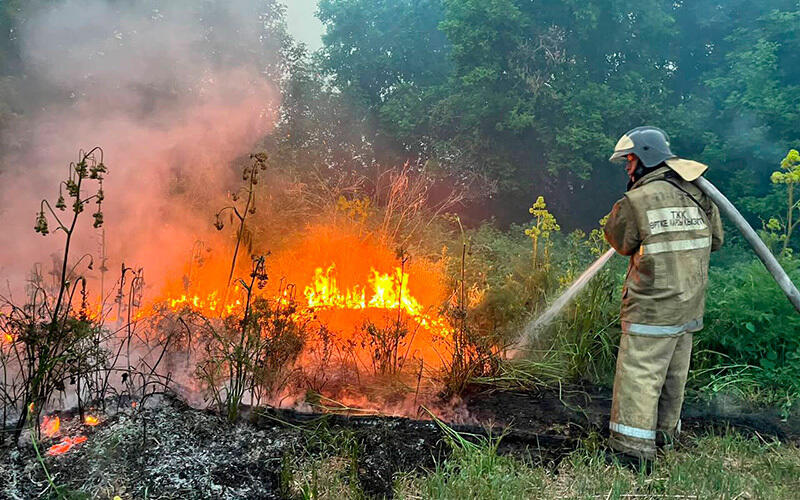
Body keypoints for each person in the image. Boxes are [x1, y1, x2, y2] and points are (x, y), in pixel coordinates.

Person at [603, 126, 724, 462]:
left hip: (653, 307)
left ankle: (632, 450)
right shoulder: (698, 192)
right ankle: (664, 437)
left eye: (629, 161)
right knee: (674, 374)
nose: (627, 168)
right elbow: (716, 241)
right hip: (689, 304)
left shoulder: (637, 200)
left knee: (640, 375)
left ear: (645, 158)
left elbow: (620, 241)